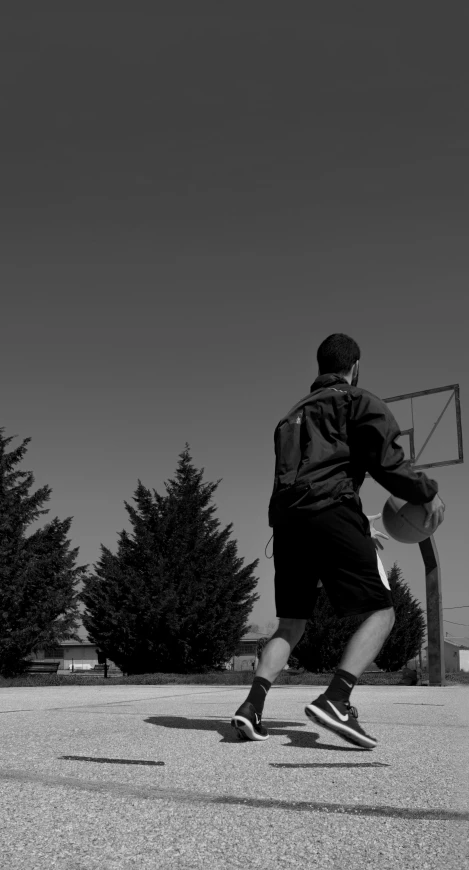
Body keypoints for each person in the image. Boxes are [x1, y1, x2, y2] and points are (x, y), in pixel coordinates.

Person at [231, 333, 445, 749]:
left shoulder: (289, 417)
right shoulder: (357, 401)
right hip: (329, 509)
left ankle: (251, 708)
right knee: (382, 613)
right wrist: (427, 491)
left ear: (319, 365)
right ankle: (337, 699)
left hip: (287, 522)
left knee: (290, 624)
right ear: (355, 366)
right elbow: (389, 463)